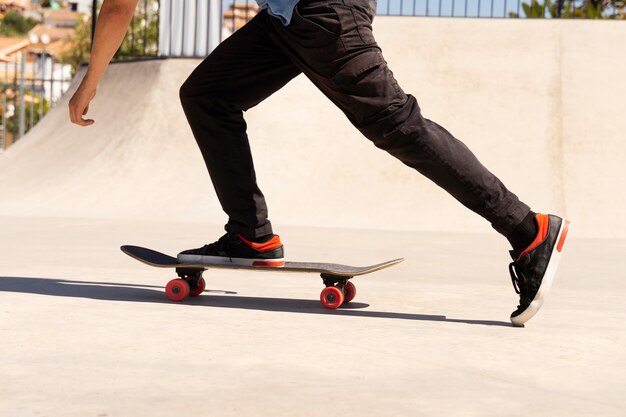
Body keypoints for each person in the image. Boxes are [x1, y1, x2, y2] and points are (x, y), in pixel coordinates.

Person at [69, 0, 570, 325]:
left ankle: (528, 229)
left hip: (324, 15)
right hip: (288, 19)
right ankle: (251, 234)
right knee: (208, 95)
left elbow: (117, 6)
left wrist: (92, 77)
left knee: (396, 124)